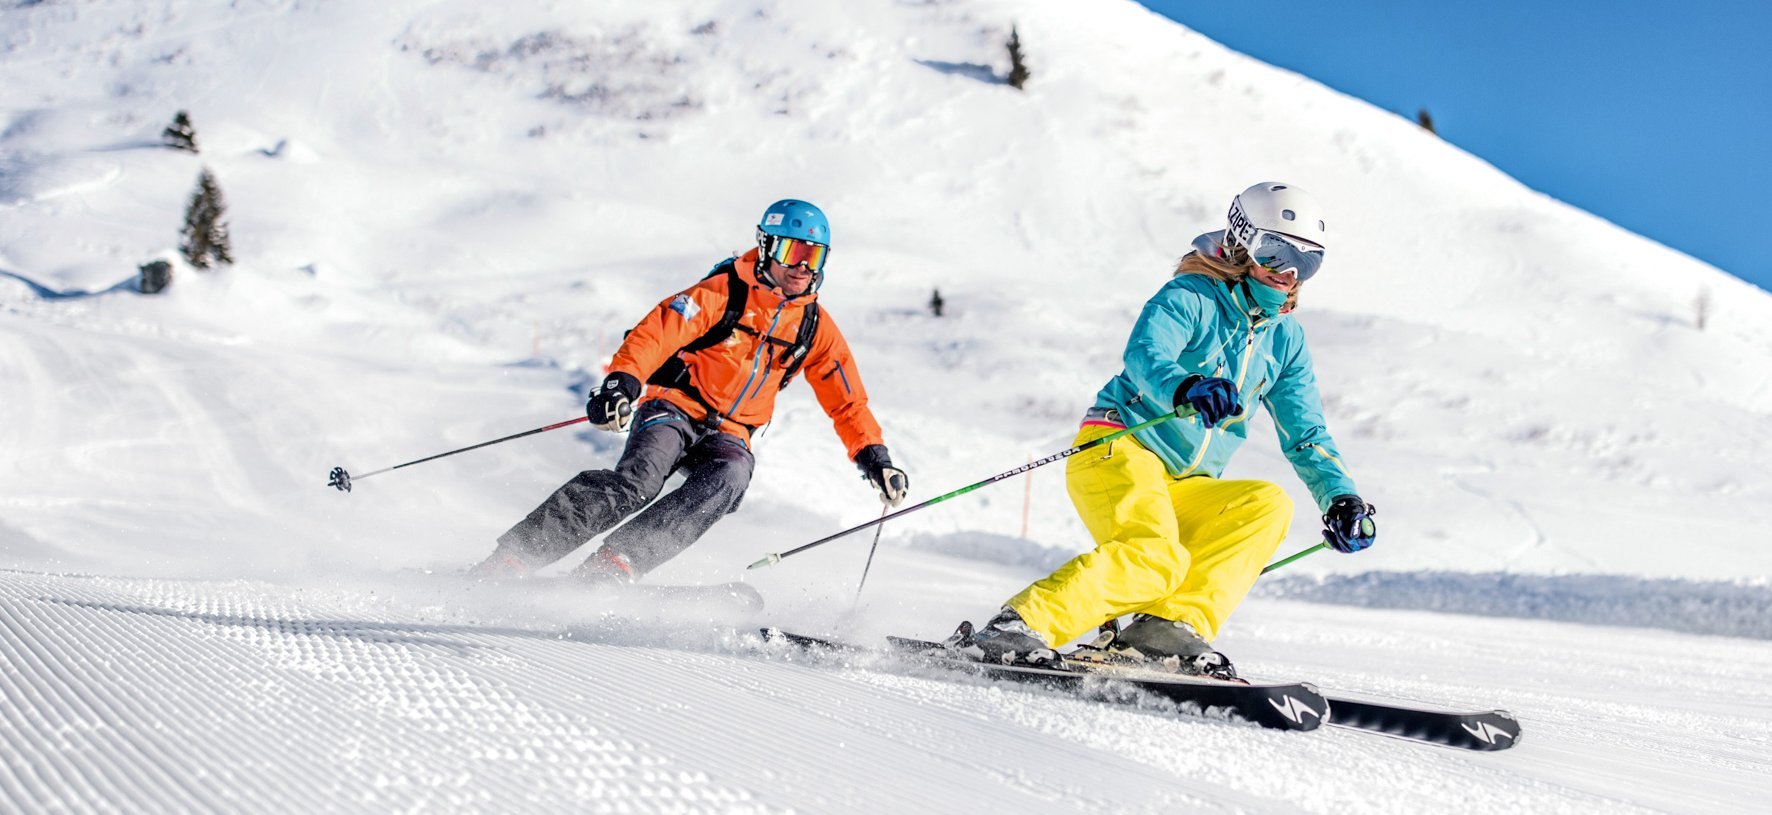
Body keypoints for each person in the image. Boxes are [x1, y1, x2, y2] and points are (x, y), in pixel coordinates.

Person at [951, 182, 1376, 677]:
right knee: (1155, 558)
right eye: (1276, 253)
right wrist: (1186, 386)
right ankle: (1015, 626)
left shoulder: (1285, 339)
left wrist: (1340, 497)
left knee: (1265, 505)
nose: (1288, 274)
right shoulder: (1191, 296)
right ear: (1241, 245)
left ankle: (1162, 630)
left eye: (1306, 262)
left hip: (1188, 483)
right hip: (1120, 447)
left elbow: (1306, 433)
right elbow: (1145, 355)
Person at [473, 199, 910, 581]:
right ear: (767, 248)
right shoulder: (723, 294)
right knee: (638, 483)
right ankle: (516, 557)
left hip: (731, 434)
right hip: (675, 408)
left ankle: (616, 564)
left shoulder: (815, 327)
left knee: (730, 479)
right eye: (792, 251)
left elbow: (847, 400)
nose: (802, 266)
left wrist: (876, 459)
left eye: (813, 256)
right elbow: (656, 334)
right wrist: (622, 382)